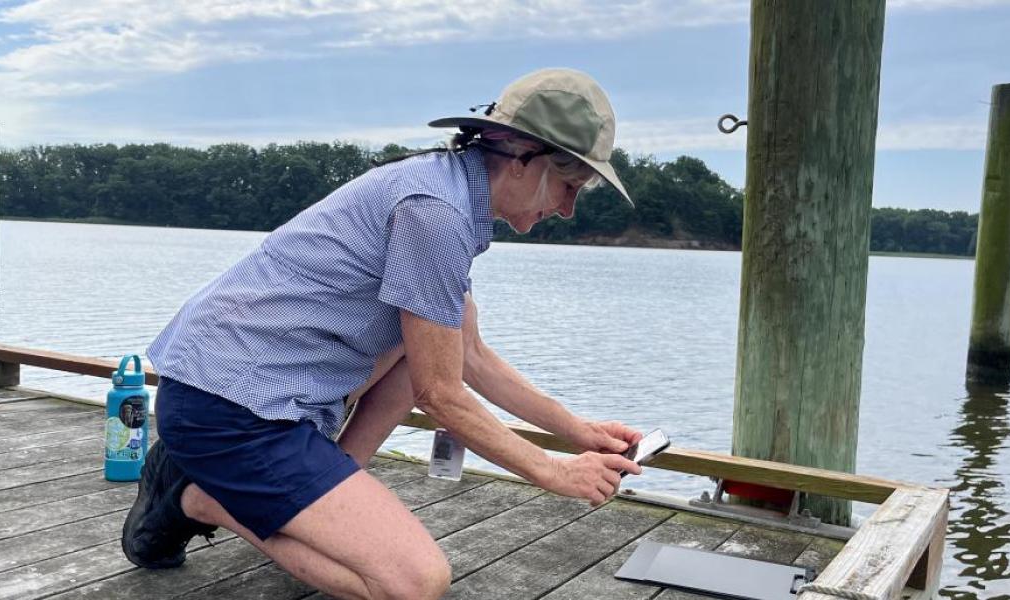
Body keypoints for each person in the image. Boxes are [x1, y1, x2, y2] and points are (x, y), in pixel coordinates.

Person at [123, 68, 646, 600]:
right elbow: (440, 396)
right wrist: (554, 472)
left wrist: (577, 431)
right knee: (412, 584)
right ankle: (196, 495)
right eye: (568, 186)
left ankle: (327, 481)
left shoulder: (445, 193)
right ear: (521, 156)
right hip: (229, 409)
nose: (566, 208)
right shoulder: (436, 212)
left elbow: (468, 353)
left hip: (254, 397)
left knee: (422, 344)